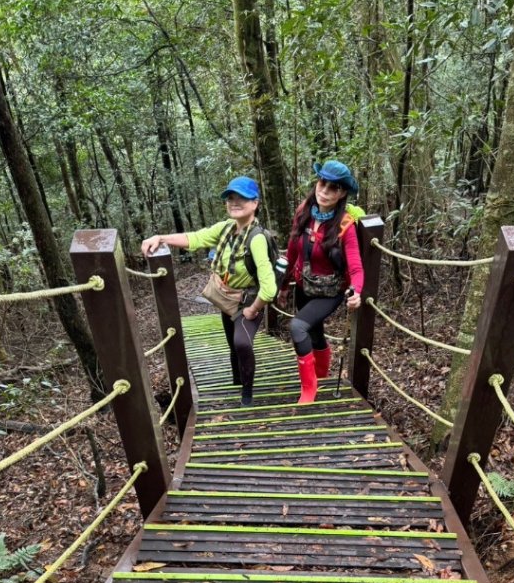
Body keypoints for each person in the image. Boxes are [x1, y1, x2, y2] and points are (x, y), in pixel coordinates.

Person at [142, 176, 276, 406]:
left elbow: (269, 288)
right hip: (226, 296)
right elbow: (195, 238)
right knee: (232, 342)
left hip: (247, 300)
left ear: (255, 203)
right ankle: (237, 379)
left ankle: (247, 393)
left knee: (242, 343)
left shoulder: (256, 239)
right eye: (230, 198)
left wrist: (253, 309)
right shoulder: (226, 228)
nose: (234, 202)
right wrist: (161, 238)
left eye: (242, 198)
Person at [279, 161, 364, 404]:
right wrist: (284, 285)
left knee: (298, 327)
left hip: (330, 291)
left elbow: (356, 267)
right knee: (314, 334)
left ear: (342, 193)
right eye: (322, 183)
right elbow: (293, 249)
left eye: (333, 187)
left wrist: (356, 291)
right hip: (303, 285)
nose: (324, 191)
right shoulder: (303, 212)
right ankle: (322, 375)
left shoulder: (345, 225)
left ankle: (309, 387)